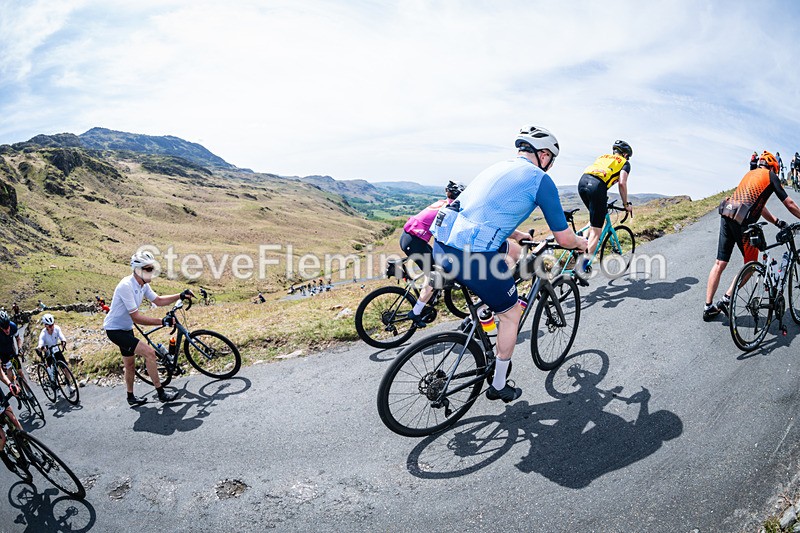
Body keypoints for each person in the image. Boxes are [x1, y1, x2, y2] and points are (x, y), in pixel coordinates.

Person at [432, 125, 588, 402]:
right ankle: (500, 384)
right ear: (543, 155)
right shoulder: (539, 179)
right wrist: (581, 243)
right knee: (511, 314)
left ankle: (482, 312)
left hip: (442, 244)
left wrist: (516, 235)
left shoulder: (498, 167)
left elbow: (486, 212)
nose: (550, 164)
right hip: (473, 256)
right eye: (551, 158)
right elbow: (564, 238)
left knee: (510, 255)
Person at [704, 151, 800, 320]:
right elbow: (790, 203)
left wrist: (777, 222)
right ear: (773, 167)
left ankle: (708, 307)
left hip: (728, 214)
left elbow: (759, 206)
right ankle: (726, 299)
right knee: (751, 266)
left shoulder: (750, 174)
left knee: (720, 262)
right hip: (743, 222)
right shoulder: (770, 176)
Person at [104, 251, 194, 405]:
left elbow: (158, 300)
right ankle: (161, 393)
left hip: (126, 328)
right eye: (148, 269)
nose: (152, 272)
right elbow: (137, 318)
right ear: (138, 270)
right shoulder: (126, 286)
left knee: (130, 364)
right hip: (115, 330)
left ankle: (131, 397)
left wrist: (179, 295)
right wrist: (162, 322)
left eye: (152, 268)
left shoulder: (142, 284)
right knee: (150, 353)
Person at [403, 180, 466, 327]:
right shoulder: (451, 208)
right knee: (435, 276)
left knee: (435, 266)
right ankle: (416, 312)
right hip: (415, 242)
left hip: (409, 237)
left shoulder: (442, 202)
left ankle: (428, 297)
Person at [576, 140, 634, 282]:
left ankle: (580, 248)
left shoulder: (603, 157)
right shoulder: (624, 162)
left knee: (593, 221)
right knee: (597, 230)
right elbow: (622, 183)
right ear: (625, 154)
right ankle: (581, 268)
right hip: (597, 187)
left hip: (582, 183)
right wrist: (626, 204)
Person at [0, 311, 24, 409]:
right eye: (4, 328)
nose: (7, 329)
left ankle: (28, 393)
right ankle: (15, 391)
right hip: (2, 354)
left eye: (8, 327)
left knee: (20, 372)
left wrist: (20, 348)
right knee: (9, 372)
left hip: (11, 351)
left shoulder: (13, 326)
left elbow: (18, 339)